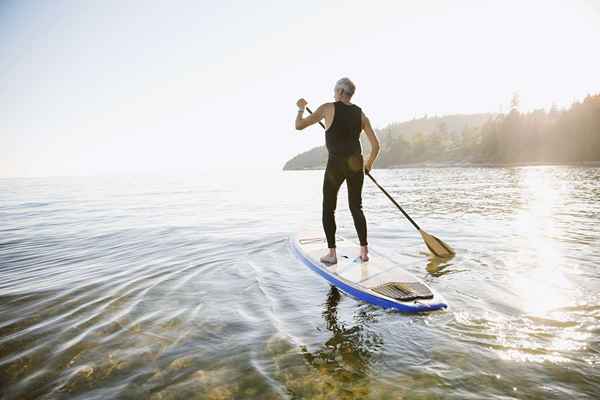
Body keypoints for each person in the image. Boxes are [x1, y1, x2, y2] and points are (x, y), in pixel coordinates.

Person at [295, 77, 380, 264]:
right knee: (356, 207)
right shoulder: (361, 114)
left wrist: (301, 108)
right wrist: (369, 164)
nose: (333, 93)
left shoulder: (327, 108)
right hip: (356, 163)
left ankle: (332, 255)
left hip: (336, 165)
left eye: (335, 90)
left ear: (341, 92)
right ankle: (364, 252)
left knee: (328, 208)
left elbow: (299, 126)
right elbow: (375, 146)